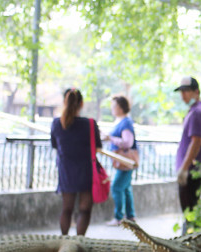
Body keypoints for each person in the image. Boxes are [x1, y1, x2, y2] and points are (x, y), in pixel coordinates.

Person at [51, 88, 101, 236]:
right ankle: (80, 241)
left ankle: (64, 239)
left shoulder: (56, 123)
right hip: (86, 170)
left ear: (64, 102)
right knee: (85, 209)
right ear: (82, 103)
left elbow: (55, 145)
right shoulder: (90, 124)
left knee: (67, 208)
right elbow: (97, 146)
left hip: (66, 169)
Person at [172, 76, 201, 215]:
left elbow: (196, 142)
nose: (183, 95)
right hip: (192, 169)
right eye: (181, 91)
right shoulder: (197, 110)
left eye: (186, 91)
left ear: (196, 92)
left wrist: (184, 168)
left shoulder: (197, 113)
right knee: (190, 209)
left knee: (189, 210)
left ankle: (190, 235)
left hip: (191, 170)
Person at [103, 94, 137, 227]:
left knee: (117, 187)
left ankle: (119, 218)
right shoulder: (122, 121)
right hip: (122, 161)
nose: (112, 108)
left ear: (121, 108)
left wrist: (111, 138)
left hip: (125, 160)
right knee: (126, 188)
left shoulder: (126, 122)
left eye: (114, 106)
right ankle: (130, 216)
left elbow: (128, 142)